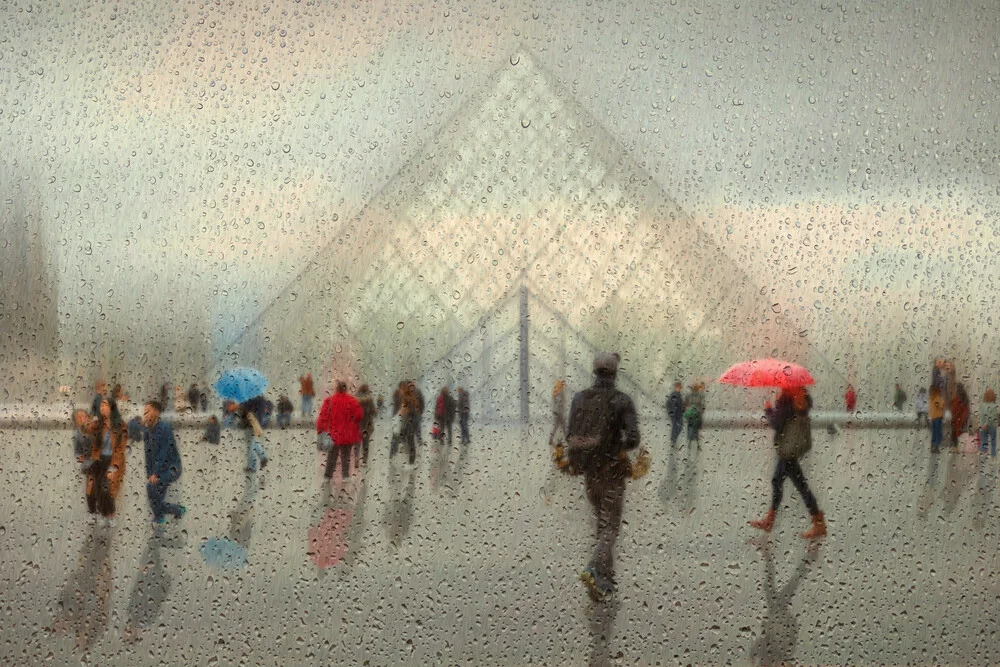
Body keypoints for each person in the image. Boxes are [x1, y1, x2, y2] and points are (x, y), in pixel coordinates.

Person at [567, 352, 640, 600]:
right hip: (612, 474)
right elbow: (633, 439)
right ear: (615, 372)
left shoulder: (579, 399)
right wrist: (616, 443)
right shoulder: (622, 400)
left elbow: (570, 433)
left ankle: (605, 580)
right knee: (611, 527)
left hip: (589, 474)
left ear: (594, 371)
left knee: (601, 522)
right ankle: (592, 569)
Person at [749, 386, 826, 540]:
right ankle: (770, 520)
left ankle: (819, 523)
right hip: (791, 448)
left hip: (787, 450)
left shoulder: (786, 399)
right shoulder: (801, 397)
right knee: (778, 480)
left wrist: (769, 409)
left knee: (800, 486)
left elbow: (776, 423)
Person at [141, 401, 185, 525]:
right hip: (158, 470)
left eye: (148, 411)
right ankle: (178, 510)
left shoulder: (165, 428)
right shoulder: (146, 432)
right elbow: (147, 454)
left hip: (172, 468)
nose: (145, 415)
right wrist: (149, 474)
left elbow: (164, 452)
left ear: (156, 412)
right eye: (144, 413)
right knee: (155, 496)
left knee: (151, 488)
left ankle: (159, 517)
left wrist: (155, 473)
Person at [88, 398, 128, 527]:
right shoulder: (98, 424)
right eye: (101, 406)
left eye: (105, 405)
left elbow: (120, 449)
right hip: (99, 460)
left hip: (113, 460)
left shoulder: (120, 426)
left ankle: (111, 514)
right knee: (98, 488)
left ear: (112, 408)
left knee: (108, 488)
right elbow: (86, 430)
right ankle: (102, 513)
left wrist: (113, 467)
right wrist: (85, 422)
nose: (102, 408)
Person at [317, 381, 363, 480]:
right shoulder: (352, 401)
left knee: (332, 456)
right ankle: (345, 476)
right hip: (348, 434)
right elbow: (359, 415)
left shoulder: (329, 401)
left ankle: (328, 476)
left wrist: (320, 429)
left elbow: (323, 417)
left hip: (333, 435)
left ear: (336, 388)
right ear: (345, 389)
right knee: (346, 456)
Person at [239, 396, 269, 473]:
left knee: (250, 446)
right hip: (256, 423)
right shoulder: (260, 398)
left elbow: (247, 411)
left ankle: (252, 467)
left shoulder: (250, 399)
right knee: (253, 443)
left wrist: (240, 406)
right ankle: (263, 459)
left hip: (250, 424)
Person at [355, 385, 376, 465]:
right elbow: (374, 412)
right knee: (366, 444)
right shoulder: (369, 400)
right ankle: (364, 460)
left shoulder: (355, 398)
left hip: (357, 425)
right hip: (367, 425)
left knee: (357, 443)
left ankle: (356, 458)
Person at [950, 383, 970, 449]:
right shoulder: (966, 397)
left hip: (957, 419)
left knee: (954, 433)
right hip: (963, 418)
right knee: (961, 432)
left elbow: (954, 409)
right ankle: (962, 447)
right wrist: (965, 418)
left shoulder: (957, 398)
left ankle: (955, 448)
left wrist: (953, 418)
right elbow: (967, 409)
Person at [978, 389, 998, 458]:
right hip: (992, 426)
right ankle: (993, 456)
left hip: (983, 426)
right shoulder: (994, 406)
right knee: (993, 442)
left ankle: (983, 456)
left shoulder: (982, 405)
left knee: (984, 442)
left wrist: (982, 424)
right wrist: (987, 424)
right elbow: (992, 417)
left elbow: (980, 415)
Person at [549, 380, 567, 447]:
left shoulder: (556, 391)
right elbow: (561, 401)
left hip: (557, 411)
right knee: (562, 425)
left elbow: (562, 401)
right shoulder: (558, 391)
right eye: (562, 384)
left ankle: (551, 439)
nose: (563, 386)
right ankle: (551, 439)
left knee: (561, 425)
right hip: (558, 412)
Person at [666, 381, 684, 446]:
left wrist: (683, 410)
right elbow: (668, 404)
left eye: (680, 388)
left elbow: (681, 405)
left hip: (679, 414)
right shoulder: (673, 395)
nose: (680, 389)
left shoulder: (679, 395)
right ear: (676, 387)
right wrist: (671, 412)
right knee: (675, 427)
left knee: (679, 427)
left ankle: (674, 438)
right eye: (679, 387)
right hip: (675, 414)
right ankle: (673, 439)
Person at [929, 385, 946, 452]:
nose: (940, 392)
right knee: (938, 433)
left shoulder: (931, 398)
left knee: (934, 432)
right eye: (940, 391)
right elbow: (942, 405)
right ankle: (936, 447)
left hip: (933, 417)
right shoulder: (937, 398)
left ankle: (932, 446)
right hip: (938, 418)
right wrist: (942, 399)